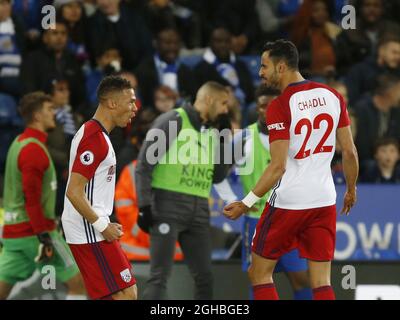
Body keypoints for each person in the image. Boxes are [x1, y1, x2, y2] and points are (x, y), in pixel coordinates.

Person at [223, 39, 359, 300]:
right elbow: (350, 152)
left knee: (259, 273)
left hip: (289, 202)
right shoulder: (332, 96)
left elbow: (278, 167)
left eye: (264, 66)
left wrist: (245, 202)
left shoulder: (280, 105)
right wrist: (351, 190)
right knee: (321, 281)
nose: (261, 72)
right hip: (324, 199)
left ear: (281, 66)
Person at [135, 81, 230, 300]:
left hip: (199, 211)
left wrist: (224, 140)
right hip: (168, 207)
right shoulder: (173, 120)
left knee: (205, 278)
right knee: (159, 276)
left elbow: (218, 176)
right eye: (223, 103)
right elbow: (144, 166)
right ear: (209, 99)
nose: (226, 109)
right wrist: (144, 206)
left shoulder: (213, 131)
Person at [216, 86, 312, 300]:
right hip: (257, 221)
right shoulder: (243, 139)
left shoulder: (297, 136)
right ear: (256, 108)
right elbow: (218, 175)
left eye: (273, 105)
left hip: (291, 219)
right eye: (262, 105)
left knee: (302, 278)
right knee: (258, 278)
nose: (268, 110)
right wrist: (235, 201)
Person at [0, 92, 86, 300]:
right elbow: (32, 198)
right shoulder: (33, 150)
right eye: (49, 109)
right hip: (35, 233)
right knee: (78, 284)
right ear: (37, 116)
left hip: (14, 235)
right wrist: (44, 236)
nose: (54, 114)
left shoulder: (19, 143)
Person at [61, 75, 138, 300]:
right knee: (125, 294)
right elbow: (74, 191)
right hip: (88, 230)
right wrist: (102, 225)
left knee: (120, 294)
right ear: (112, 103)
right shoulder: (94, 139)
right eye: (130, 102)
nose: (135, 108)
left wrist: (103, 220)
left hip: (91, 226)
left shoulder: (97, 135)